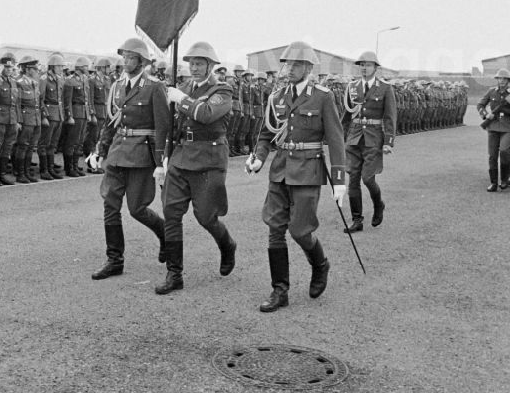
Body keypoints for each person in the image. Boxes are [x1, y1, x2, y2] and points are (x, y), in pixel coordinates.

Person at [245, 41, 346, 313]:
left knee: (300, 230)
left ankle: (320, 264)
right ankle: (280, 290)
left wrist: (339, 180)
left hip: (308, 171)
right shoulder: (276, 96)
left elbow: (336, 139)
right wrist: (258, 158)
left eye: (296, 65)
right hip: (280, 170)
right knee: (275, 229)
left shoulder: (322, 96)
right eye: (287, 64)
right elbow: (266, 134)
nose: (289, 69)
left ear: (308, 68)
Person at [154, 41, 236, 295]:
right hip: (182, 156)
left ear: (211, 66)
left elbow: (207, 114)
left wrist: (183, 99)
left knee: (205, 216)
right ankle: (174, 273)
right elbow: (173, 126)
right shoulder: (184, 87)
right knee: (171, 212)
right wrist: (165, 158)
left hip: (208, 160)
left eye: (200, 63)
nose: (195, 68)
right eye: (192, 63)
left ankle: (226, 244)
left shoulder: (222, 89)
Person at [91, 37, 170, 281]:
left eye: (131, 57)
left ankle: (164, 233)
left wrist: (161, 162)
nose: (125, 61)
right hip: (117, 152)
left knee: (137, 209)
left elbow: (162, 126)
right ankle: (114, 260)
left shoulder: (154, 87)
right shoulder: (116, 86)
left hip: (140, 154)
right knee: (110, 205)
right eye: (124, 56)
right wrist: (100, 151)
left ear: (142, 61)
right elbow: (110, 122)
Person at [342, 50, 397, 232]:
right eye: (361, 65)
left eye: (367, 65)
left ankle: (378, 204)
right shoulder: (352, 87)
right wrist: (337, 137)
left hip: (373, 138)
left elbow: (390, 117)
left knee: (367, 178)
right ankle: (357, 220)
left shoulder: (385, 88)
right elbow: (346, 116)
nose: (364, 68)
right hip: (354, 138)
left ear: (375, 67)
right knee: (353, 179)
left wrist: (389, 141)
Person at [476, 68, 510, 192]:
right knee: (492, 155)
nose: (502, 81)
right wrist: (486, 115)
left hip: (507, 127)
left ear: (508, 81)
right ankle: (493, 182)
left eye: (504, 79)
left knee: (504, 151)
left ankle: (504, 180)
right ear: (497, 80)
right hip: (493, 126)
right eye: (500, 78)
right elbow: (480, 105)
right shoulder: (491, 91)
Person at [0, 52, 21, 186]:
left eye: (11, 67)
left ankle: (2, 174)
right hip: (0, 116)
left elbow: (16, 102)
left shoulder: (13, 81)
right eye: (6, 67)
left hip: (11, 117)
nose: (9, 70)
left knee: (7, 146)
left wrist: (17, 120)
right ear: (1, 68)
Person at [13, 55, 43, 184]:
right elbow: (17, 104)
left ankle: (26, 171)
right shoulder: (19, 83)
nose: (37, 71)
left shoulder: (34, 83)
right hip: (26, 117)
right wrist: (18, 121)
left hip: (35, 117)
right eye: (34, 69)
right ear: (27, 69)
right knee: (23, 145)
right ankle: (20, 173)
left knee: (31, 146)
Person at [37, 54, 67, 180]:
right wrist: (43, 115)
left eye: (61, 66)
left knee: (53, 144)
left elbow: (61, 98)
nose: (61, 68)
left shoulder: (59, 78)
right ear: (52, 66)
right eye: (59, 66)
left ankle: (50, 168)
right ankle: (44, 170)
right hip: (49, 114)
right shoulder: (44, 79)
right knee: (44, 143)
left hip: (58, 114)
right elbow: (40, 99)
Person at [63, 57, 94, 177]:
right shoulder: (70, 81)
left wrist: (89, 114)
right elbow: (67, 101)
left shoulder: (85, 79)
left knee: (80, 141)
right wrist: (69, 116)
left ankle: (75, 166)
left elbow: (87, 98)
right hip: (75, 113)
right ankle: (69, 167)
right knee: (72, 141)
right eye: (86, 66)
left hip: (83, 113)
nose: (88, 69)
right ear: (80, 67)